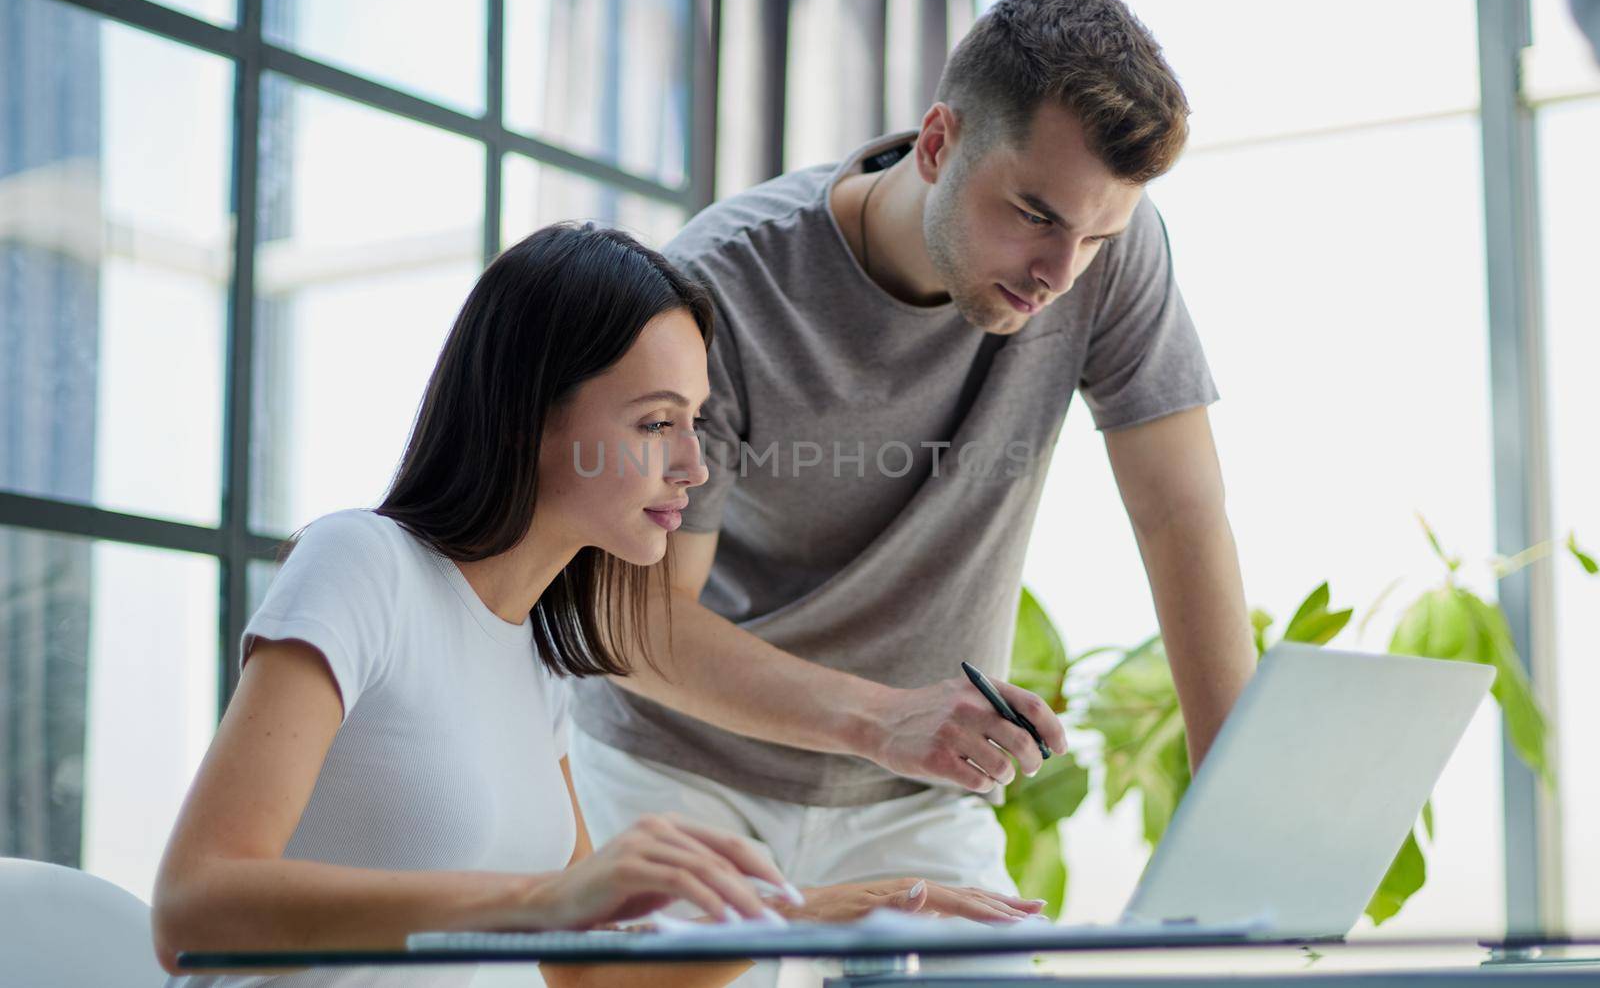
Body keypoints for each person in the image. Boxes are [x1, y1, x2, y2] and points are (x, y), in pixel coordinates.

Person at [152, 223, 1040, 988]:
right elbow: (194, 906)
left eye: (696, 420)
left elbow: (583, 969)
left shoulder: (536, 655)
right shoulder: (360, 564)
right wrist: (544, 900)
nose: (693, 466)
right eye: (656, 423)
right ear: (522, 417)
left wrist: (807, 918)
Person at [569, 0, 1259, 964]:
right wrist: (883, 716)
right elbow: (633, 620)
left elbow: (1180, 511)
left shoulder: (1103, 257)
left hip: (911, 799)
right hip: (683, 773)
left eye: (1095, 235)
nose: (1059, 272)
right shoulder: (721, 286)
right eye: (1032, 214)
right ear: (937, 143)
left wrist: (1227, 816)